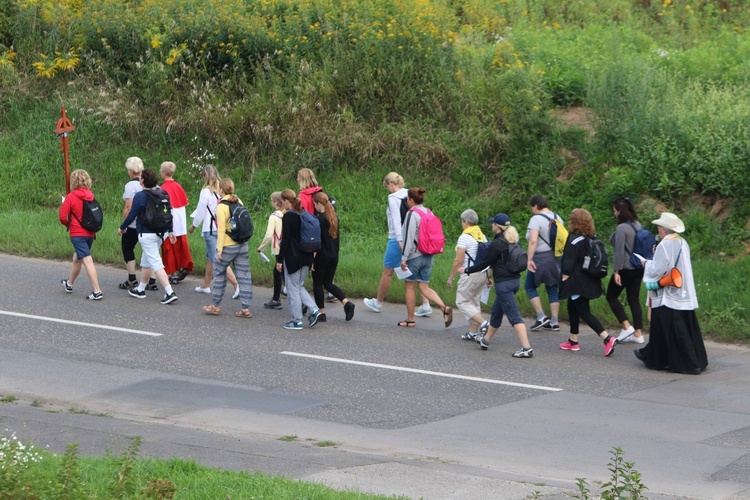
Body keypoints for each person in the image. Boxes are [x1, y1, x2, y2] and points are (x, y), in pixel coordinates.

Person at [635, 213, 707, 374]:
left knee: (670, 329)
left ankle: (685, 363)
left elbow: (658, 269)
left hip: (668, 291)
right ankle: (693, 359)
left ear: (663, 230)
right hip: (683, 291)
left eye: (659, 228)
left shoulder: (664, 245)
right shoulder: (683, 242)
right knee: (685, 327)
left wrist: (646, 263)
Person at [459, 214, 533, 358]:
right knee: (497, 313)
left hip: (503, 285)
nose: (491, 225)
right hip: (514, 282)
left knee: (514, 316)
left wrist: (466, 269)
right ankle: (485, 340)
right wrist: (488, 276)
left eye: (493, 224)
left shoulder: (497, 244)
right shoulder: (512, 241)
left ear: (497, 226)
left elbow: (485, 263)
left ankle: (526, 348)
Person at [364, 172, 431, 316]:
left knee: (387, 272)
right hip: (415, 238)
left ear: (390, 184)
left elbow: (396, 220)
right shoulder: (411, 194)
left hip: (397, 238)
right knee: (417, 272)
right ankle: (426, 304)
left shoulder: (392, 198)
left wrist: (400, 241)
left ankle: (378, 303)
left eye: (386, 186)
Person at [558, 208, 617, 356]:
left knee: (584, 312)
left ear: (574, 222)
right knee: (573, 307)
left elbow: (569, 262)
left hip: (577, 282)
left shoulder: (573, 239)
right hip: (589, 279)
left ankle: (607, 338)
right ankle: (573, 341)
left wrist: (564, 277)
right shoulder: (590, 238)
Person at [117, 168, 178, 305]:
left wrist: (122, 227)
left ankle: (170, 292)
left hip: (146, 233)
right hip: (161, 233)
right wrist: (171, 230)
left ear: (143, 180)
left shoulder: (140, 196)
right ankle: (140, 289)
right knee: (146, 260)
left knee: (155, 262)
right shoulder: (162, 193)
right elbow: (168, 213)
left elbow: (132, 215)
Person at [398, 188, 452, 328]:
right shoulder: (429, 212)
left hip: (415, 256)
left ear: (411, 200)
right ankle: (444, 308)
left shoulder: (411, 214)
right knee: (424, 286)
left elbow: (409, 238)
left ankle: (410, 319)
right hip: (429, 255)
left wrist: (404, 258)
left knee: (409, 287)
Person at [201, 178, 254, 318]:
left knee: (219, 274)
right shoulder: (239, 201)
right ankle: (245, 308)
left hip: (228, 245)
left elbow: (221, 229)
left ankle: (215, 306)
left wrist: (219, 250)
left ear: (222, 190)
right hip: (242, 244)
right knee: (244, 276)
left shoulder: (221, 206)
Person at [188, 164, 239, 298]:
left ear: (205, 176)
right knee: (210, 257)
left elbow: (200, 212)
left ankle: (236, 284)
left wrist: (193, 226)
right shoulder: (221, 190)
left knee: (217, 259)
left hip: (210, 229)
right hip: (222, 228)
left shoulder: (206, 191)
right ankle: (205, 285)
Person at [276, 189, 322, 330]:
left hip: (293, 258)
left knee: (292, 288)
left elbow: (286, 240)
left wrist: (279, 259)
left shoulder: (289, 217)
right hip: (307, 256)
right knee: (298, 285)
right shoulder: (303, 213)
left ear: (285, 201)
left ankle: (297, 320)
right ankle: (314, 310)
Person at [58, 169, 103, 301]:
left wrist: (68, 224)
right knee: (77, 258)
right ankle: (69, 283)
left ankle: (97, 290)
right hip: (90, 232)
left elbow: (62, 216)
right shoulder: (90, 195)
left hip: (77, 234)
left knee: (87, 260)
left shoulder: (71, 197)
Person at [311, 191, 355, 321]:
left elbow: (317, 241)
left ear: (319, 204)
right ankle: (346, 303)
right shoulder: (334, 217)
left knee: (317, 283)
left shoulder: (318, 219)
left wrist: (312, 259)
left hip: (321, 255)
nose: (315, 206)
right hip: (334, 255)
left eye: (315, 204)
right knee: (328, 283)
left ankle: (321, 312)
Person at [607, 197, 646, 344]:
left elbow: (619, 252)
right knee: (633, 299)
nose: (614, 213)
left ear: (619, 212)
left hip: (626, 268)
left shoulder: (621, 228)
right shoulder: (637, 224)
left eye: (615, 211)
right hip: (638, 267)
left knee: (611, 295)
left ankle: (626, 326)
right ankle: (638, 334)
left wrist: (616, 271)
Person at [447, 209, 490, 341]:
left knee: (462, 301)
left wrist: (451, 277)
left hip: (469, 274)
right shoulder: (482, 236)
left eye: (462, 221)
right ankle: (473, 332)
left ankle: (484, 323)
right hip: (482, 274)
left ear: (465, 222)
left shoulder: (465, 237)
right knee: (474, 302)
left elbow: (458, 260)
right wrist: (489, 276)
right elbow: (487, 258)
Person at [119, 157, 157, 291]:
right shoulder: (153, 184)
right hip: (151, 223)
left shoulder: (130, 186)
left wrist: (123, 224)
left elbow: (128, 207)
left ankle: (132, 278)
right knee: (150, 251)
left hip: (134, 224)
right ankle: (152, 280)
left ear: (130, 170)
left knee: (127, 247)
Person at [525, 194, 562, 331]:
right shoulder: (558, 218)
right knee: (552, 287)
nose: (531, 210)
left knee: (529, 286)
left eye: (531, 207)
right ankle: (555, 321)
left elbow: (533, 240)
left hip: (540, 257)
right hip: (555, 258)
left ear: (535, 206)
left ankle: (541, 316)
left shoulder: (536, 219)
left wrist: (529, 259)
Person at [159, 161, 194, 284]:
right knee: (180, 247)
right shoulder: (179, 187)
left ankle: (172, 272)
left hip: (169, 223)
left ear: (163, 173)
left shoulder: (162, 189)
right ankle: (182, 266)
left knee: (169, 248)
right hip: (181, 223)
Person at [257, 191, 285, 309]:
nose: (271, 202)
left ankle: (276, 299)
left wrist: (261, 248)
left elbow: (269, 235)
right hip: (288, 247)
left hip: (278, 247)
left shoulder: (274, 217)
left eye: (272, 200)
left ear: (276, 203)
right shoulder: (287, 214)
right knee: (281, 272)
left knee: (279, 272)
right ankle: (276, 298)